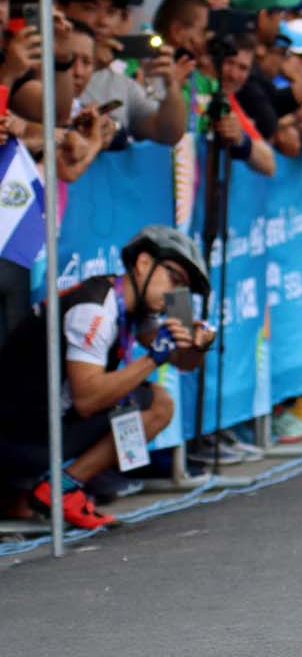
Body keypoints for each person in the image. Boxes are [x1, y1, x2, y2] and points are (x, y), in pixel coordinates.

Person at [0, 226, 213, 530]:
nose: (175, 294)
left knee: (154, 400)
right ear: (142, 264)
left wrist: (198, 346)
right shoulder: (94, 309)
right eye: (174, 279)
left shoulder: (133, 306)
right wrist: (154, 357)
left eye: (184, 290)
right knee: (155, 404)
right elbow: (87, 401)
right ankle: (60, 490)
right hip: (17, 434)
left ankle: (50, 487)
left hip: (35, 420)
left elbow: (184, 363)